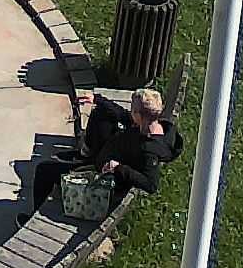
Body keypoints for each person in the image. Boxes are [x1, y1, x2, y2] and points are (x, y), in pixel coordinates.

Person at [32, 87, 181, 209]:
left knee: (43, 170)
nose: (130, 112)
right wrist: (97, 99)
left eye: (132, 109)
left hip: (102, 172)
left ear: (138, 115)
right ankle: (84, 154)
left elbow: (151, 184)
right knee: (102, 112)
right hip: (109, 151)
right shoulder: (152, 125)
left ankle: (33, 213)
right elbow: (122, 114)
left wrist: (119, 168)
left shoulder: (149, 151)